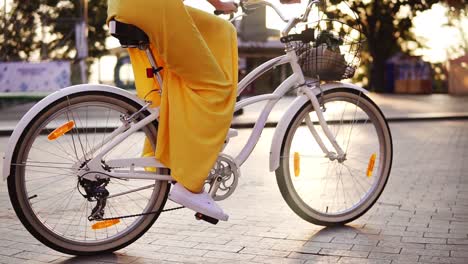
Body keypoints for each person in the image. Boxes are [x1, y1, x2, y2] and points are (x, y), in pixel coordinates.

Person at [107, 0, 301, 222]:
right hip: (153, 6)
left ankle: (178, 141)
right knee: (216, 88)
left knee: (221, 29)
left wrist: (221, 5)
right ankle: (189, 184)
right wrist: (220, 3)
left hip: (124, 6)